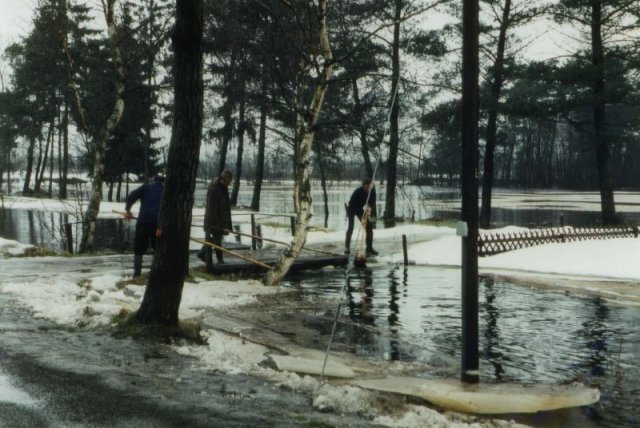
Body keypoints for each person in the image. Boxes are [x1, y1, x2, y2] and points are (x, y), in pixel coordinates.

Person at [124, 174, 164, 277]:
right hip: (158, 224)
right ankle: (156, 273)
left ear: (154, 180)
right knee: (158, 249)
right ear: (163, 183)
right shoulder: (165, 191)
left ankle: (137, 274)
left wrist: (128, 209)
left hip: (143, 222)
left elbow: (131, 196)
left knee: (138, 250)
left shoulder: (145, 188)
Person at [198, 169, 233, 268]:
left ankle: (205, 254)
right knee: (217, 239)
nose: (230, 184)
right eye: (229, 181)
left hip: (221, 219)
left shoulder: (222, 188)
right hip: (214, 219)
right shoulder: (214, 189)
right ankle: (218, 259)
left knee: (217, 239)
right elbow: (211, 208)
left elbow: (224, 205)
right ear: (224, 180)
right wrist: (216, 222)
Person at [345, 178, 379, 257]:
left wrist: (368, 209)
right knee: (351, 227)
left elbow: (371, 202)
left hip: (360, 209)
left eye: (369, 187)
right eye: (366, 187)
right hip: (352, 208)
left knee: (369, 227)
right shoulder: (358, 191)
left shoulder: (372, 192)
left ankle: (369, 248)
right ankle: (347, 247)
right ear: (363, 186)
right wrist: (362, 219)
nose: (367, 189)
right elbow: (353, 203)